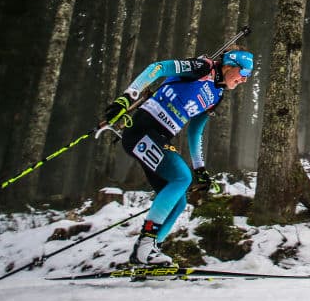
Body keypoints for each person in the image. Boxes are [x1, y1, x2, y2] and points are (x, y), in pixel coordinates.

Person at [100, 47, 255, 266]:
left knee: (179, 202)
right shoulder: (202, 68)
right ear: (230, 65)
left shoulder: (217, 95)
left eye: (248, 76)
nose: (244, 80)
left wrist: (200, 169)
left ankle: (148, 252)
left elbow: (195, 131)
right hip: (142, 129)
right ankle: (145, 247)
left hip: (159, 137)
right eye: (244, 73)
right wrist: (126, 98)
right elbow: (159, 68)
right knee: (181, 178)